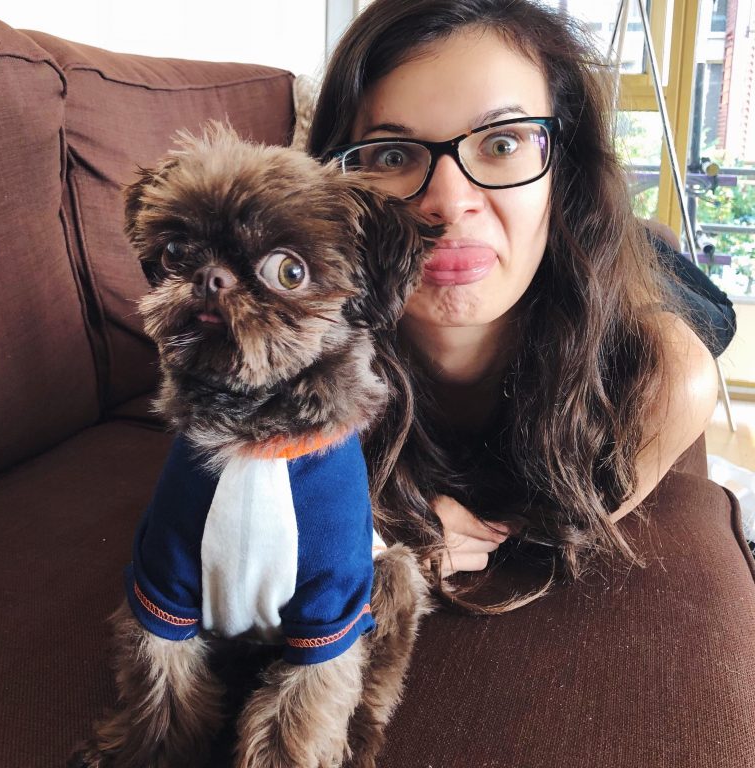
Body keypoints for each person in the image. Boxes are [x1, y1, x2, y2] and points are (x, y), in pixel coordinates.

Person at [307, 0, 720, 608]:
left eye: (502, 143)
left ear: (563, 172)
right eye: (393, 155)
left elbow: (549, 530)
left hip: (664, 282)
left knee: (671, 272)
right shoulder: (289, 356)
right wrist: (370, 540)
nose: (449, 203)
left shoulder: (669, 380)